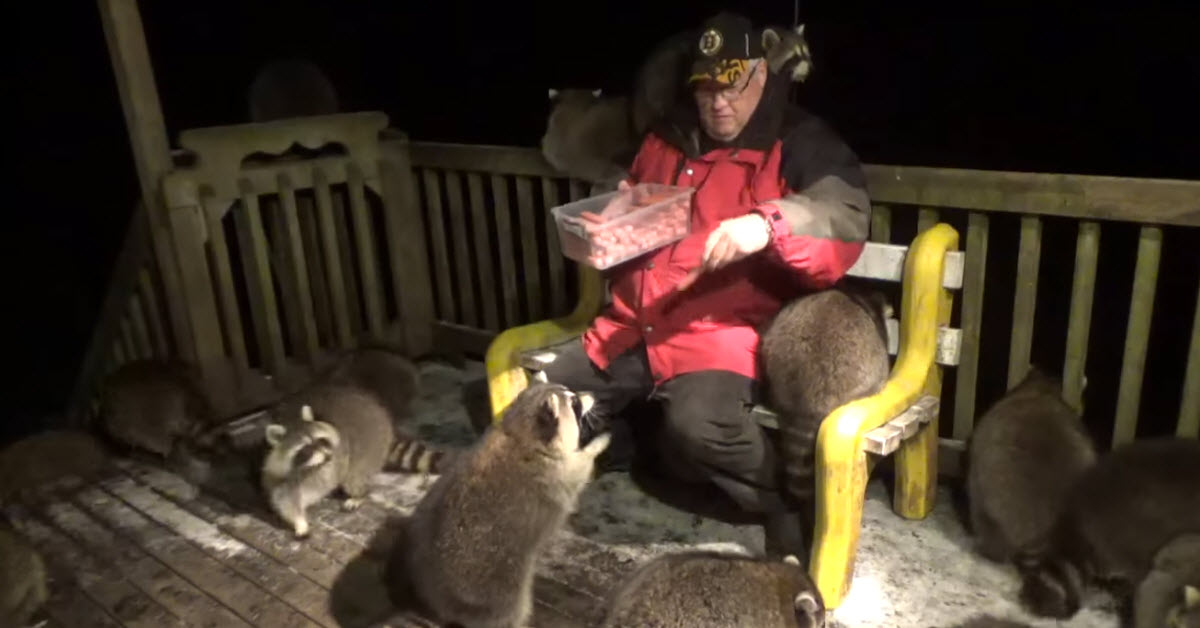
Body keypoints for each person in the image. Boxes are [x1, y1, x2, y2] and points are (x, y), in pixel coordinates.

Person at [542, 11, 871, 558]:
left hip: (722, 335)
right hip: (634, 324)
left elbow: (845, 216)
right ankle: (620, 446)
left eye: (732, 85)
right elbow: (620, 182)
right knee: (542, 391)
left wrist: (767, 224)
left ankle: (781, 499)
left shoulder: (802, 141)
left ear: (760, 77)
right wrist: (611, 210)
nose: (719, 102)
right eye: (706, 88)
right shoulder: (666, 137)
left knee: (699, 426)